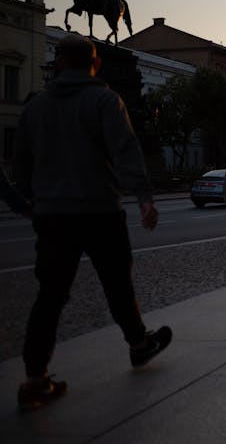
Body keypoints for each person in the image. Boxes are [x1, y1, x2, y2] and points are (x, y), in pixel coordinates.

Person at [13, 34, 170, 410]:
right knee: (117, 285)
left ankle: (34, 378)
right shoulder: (105, 100)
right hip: (100, 211)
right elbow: (126, 151)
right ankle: (139, 344)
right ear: (95, 64)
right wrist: (144, 199)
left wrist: (33, 202)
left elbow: (20, 165)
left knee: (50, 295)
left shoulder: (35, 107)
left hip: (52, 216)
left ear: (59, 63)